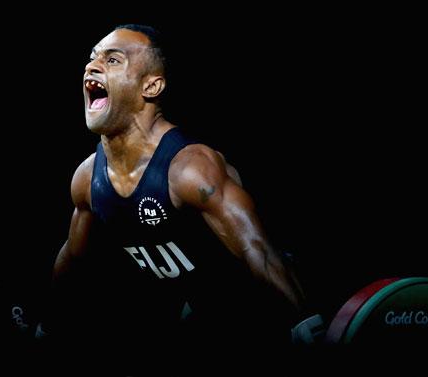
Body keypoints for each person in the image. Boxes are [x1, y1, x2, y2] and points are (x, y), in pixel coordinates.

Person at [46, 24, 323, 372]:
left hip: (261, 308)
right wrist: (47, 327)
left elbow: (259, 249)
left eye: (112, 60)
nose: (92, 66)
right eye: (92, 58)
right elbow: (73, 259)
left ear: (152, 85)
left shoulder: (188, 169)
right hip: (199, 314)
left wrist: (305, 322)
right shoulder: (88, 179)